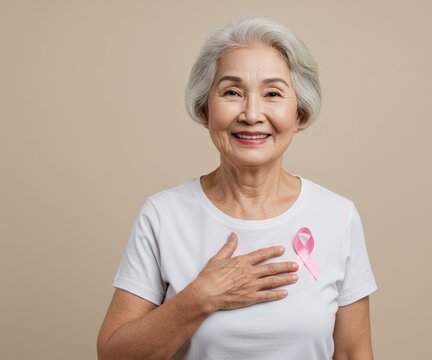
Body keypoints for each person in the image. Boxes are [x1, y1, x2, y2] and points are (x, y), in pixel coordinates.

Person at [97, 16, 377, 360]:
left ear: (299, 112)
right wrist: (200, 298)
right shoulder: (162, 215)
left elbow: (352, 353)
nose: (251, 113)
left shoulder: (338, 216)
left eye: (273, 93)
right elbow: (113, 355)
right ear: (205, 109)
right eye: (232, 92)